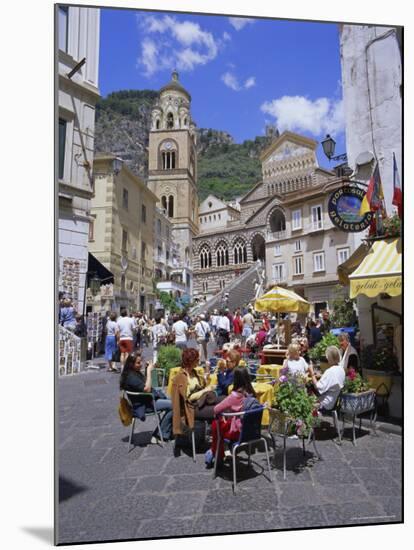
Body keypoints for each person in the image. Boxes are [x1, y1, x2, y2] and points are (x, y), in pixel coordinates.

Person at [204, 366, 256, 467]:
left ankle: (216, 453)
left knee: (216, 424)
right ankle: (217, 451)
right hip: (250, 432)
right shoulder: (251, 394)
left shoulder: (234, 396)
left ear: (235, 379)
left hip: (237, 433)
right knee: (224, 422)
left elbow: (216, 409)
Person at [119, 351, 173, 443]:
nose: (141, 365)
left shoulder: (133, 372)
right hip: (145, 405)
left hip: (149, 399)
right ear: (131, 364)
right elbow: (147, 389)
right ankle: (158, 435)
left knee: (175, 402)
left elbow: (141, 384)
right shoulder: (130, 377)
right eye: (138, 363)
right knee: (174, 405)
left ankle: (166, 430)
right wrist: (149, 372)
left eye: (141, 362)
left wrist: (148, 369)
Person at [308, 346, 345, 411]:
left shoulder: (330, 371)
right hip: (334, 401)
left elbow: (318, 387)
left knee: (307, 391)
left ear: (329, 358)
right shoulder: (341, 369)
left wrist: (312, 373)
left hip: (326, 403)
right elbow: (333, 379)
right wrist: (321, 375)